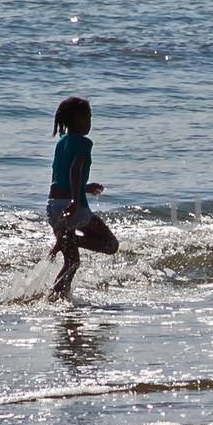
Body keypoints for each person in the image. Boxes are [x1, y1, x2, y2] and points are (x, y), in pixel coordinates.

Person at [46, 96, 119, 299]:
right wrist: (76, 201)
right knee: (111, 245)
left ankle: (55, 299)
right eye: (88, 118)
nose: (90, 122)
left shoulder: (61, 143)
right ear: (76, 120)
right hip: (72, 206)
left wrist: (84, 188)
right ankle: (70, 241)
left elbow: (60, 178)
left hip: (53, 206)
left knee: (72, 263)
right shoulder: (84, 143)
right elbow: (75, 169)